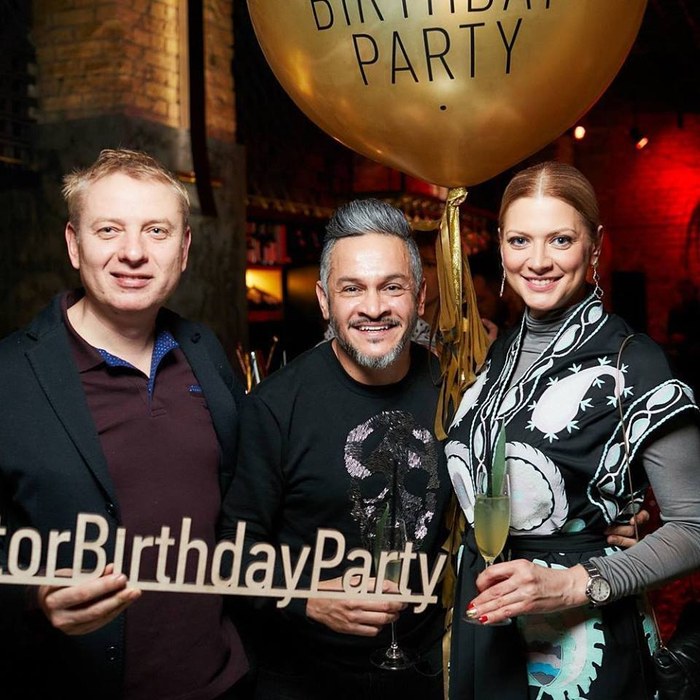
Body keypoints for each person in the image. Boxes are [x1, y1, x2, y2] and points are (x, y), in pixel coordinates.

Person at [445, 161, 700, 699]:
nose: (538, 261)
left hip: (582, 641)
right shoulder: (500, 353)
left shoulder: (633, 361)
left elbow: (695, 527)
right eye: (520, 240)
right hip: (488, 627)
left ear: (595, 246)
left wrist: (572, 584)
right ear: (500, 245)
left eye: (560, 239)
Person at [0, 149, 249, 699]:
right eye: (109, 229)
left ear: (184, 249)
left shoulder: (204, 351)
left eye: (156, 231)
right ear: (74, 244)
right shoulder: (10, 377)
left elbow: (244, 502)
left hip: (221, 683)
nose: (133, 252)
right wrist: (31, 598)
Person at [220, 198, 451, 699]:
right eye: (352, 289)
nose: (374, 308)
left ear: (420, 296)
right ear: (325, 301)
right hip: (305, 678)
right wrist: (305, 597)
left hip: (426, 673)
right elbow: (231, 554)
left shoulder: (456, 394)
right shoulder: (275, 408)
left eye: (392, 287)